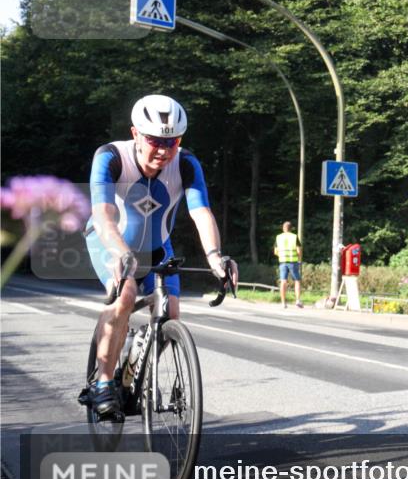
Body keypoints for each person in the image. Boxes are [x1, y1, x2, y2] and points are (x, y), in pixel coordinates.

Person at [83, 95, 238, 418]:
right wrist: (120, 253)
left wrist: (215, 257)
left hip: (157, 246)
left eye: (172, 142)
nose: (164, 151)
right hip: (109, 239)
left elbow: (201, 213)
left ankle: (131, 370)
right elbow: (103, 215)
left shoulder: (185, 163)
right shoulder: (111, 157)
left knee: (171, 313)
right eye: (155, 140)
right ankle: (103, 382)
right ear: (136, 133)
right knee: (124, 297)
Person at [274, 221, 303, 309]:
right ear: (291, 228)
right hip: (293, 262)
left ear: (283, 228)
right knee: (297, 281)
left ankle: (283, 303)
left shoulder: (278, 237)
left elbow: (275, 252)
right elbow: (299, 251)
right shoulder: (294, 237)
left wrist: (282, 255)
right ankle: (297, 301)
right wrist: (299, 260)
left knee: (283, 281)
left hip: (282, 262)